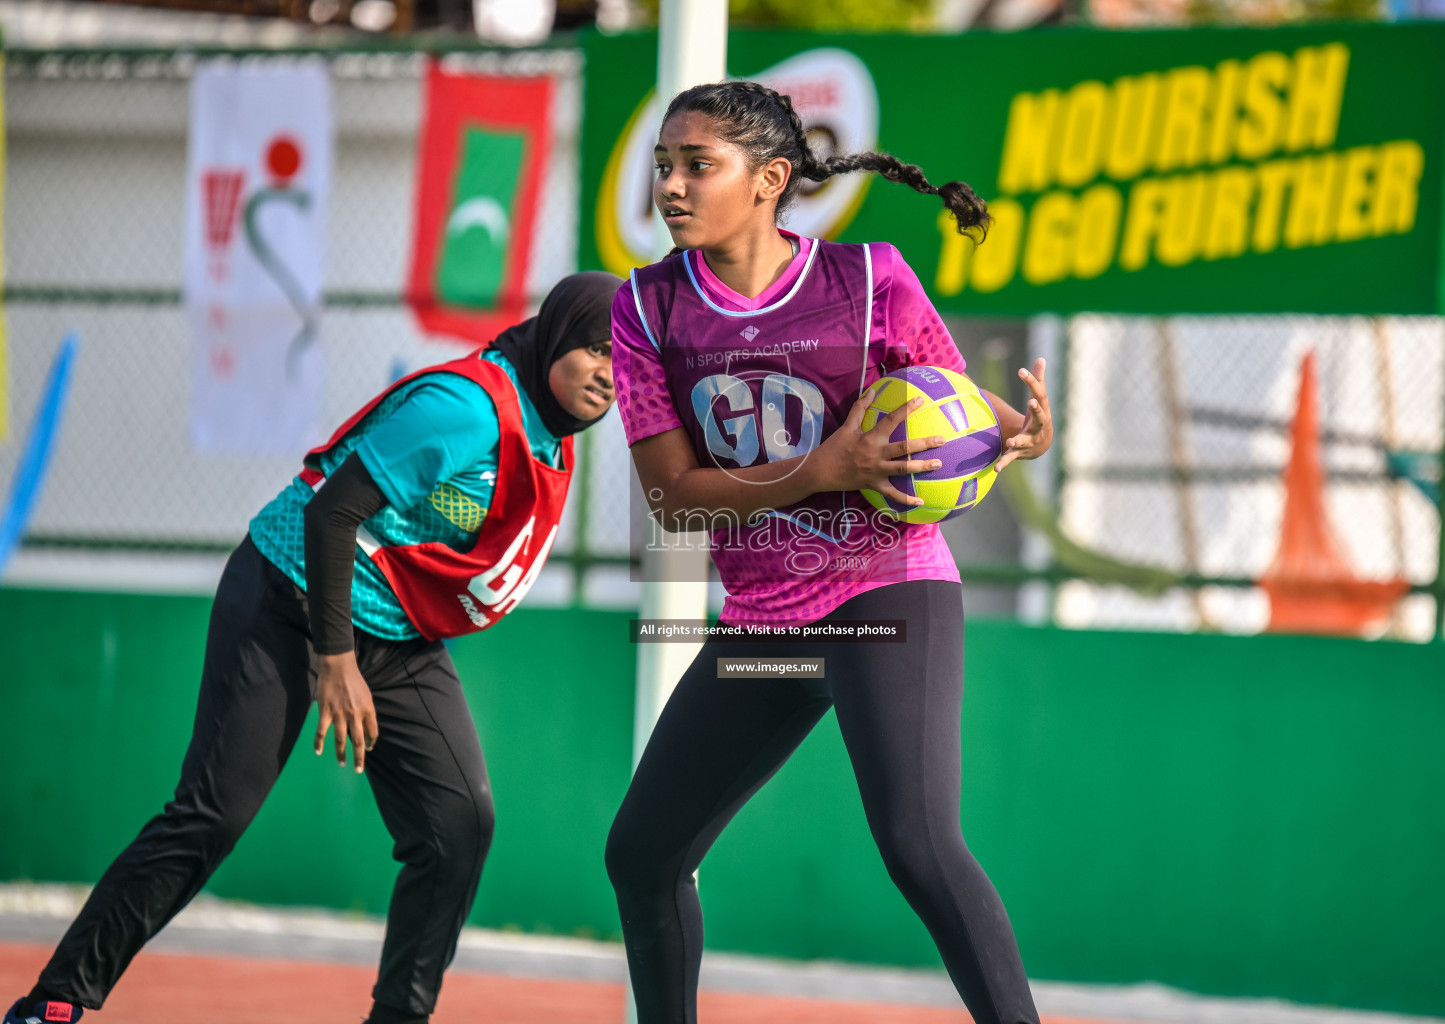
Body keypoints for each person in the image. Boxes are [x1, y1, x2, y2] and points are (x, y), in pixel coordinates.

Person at [5, 272, 622, 1024]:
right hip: (291, 591)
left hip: (393, 627)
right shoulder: (466, 409)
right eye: (597, 351)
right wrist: (334, 660)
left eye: (625, 360)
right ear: (557, 336)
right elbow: (332, 512)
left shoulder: (551, 438)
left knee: (459, 821)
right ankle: (54, 1003)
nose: (610, 376)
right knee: (212, 815)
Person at [603, 82, 1054, 1024]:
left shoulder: (871, 279)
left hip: (883, 600)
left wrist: (1011, 435)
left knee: (919, 845)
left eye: (698, 165)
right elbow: (671, 500)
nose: (672, 187)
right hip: (769, 627)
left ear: (769, 179)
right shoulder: (646, 308)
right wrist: (821, 468)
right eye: (664, 166)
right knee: (643, 854)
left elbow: (950, 409)